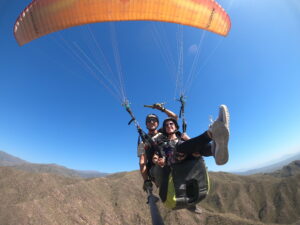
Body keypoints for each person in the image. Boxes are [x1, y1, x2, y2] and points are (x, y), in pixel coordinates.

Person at [150, 104, 230, 213]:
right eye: (167, 125)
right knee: (181, 148)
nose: (169, 125)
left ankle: (214, 149)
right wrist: (158, 161)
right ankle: (212, 135)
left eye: (171, 123)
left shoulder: (182, 138)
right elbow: (155, 157)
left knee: (193, 149)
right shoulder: (162, 143)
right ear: (164, 129)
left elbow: (195, 146)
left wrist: (188, 139)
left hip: (189, 160)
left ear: (176, 127)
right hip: (173, 163)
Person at [137, 103, 182, 190]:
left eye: (154, 120)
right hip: (156, 169)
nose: (152, 122)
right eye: (149, 121)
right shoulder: (142, 142)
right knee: (160, 169)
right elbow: (142, 162)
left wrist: (162, 109)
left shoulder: (165, 132)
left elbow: (175, 118)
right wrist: (146, 180)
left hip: (172, 162)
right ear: (146, 124)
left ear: (157, 123)